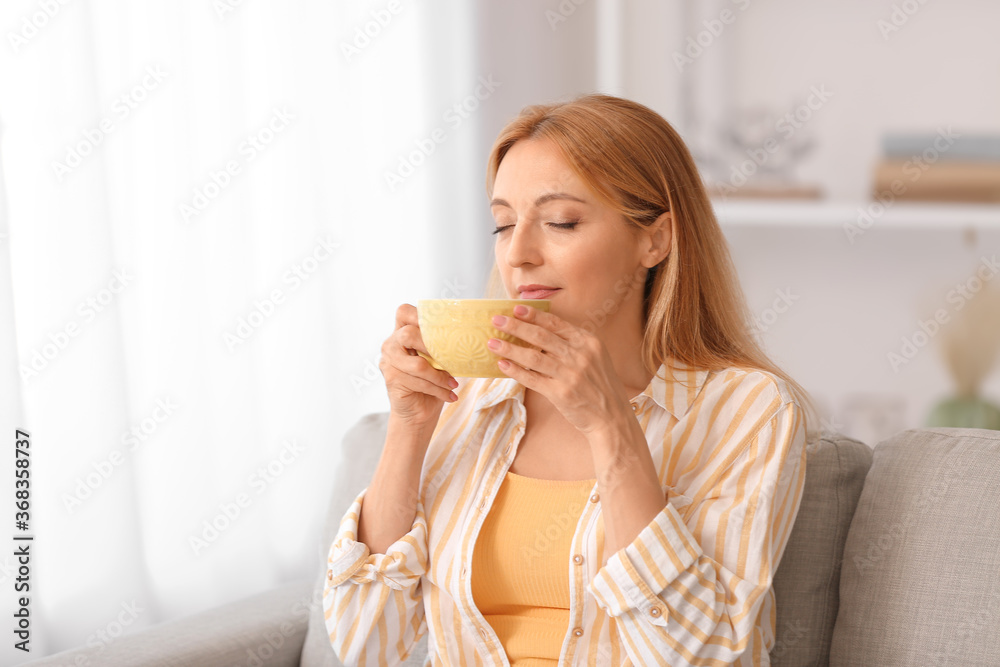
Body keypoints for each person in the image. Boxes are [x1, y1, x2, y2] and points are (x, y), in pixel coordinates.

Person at [323, 93, 817, 666]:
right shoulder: (469, 398)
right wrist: (409, 426)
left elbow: (704, 656)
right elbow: (365, 644)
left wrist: (611, 426)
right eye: (503, 225)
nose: (519, 254)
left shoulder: (748, 410)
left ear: (655, 239)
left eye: (561, 221)